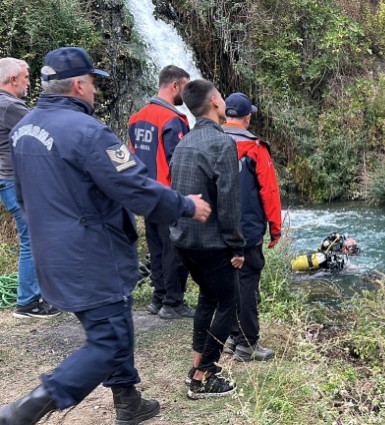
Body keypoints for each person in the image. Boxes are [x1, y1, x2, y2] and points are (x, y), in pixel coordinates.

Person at [0, 47, 211, 425]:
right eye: (94, 83)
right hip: (91, 254)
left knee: (115, 324)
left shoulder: (23, 130)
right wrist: (185, 205)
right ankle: (23, 412)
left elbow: (20, 196)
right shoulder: (86, 132)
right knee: (109, 340)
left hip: (53, 251)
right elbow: (134, 188)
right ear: (79, 85)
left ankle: (128, 401)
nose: (96, 91)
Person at [169, 79, 245, 399]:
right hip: (212, 243)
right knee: (229, 302)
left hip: (183, 239)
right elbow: (228, 201)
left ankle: (198, 362)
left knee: (207, 298)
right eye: (222, 96)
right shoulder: (222, 143)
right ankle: (205, 375)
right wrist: (237, 245)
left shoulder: (184, 141)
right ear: (215, 102)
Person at [128, 65, 193, 319]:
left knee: (156, 248)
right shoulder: (172, 119)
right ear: (174, 85)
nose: (187, 95)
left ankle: (158, 298)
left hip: (145, 192)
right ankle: (173, 302)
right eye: (186, 87)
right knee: (175, 249)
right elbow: (178, 161)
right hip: (167, 194)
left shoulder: (136, 117)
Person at [220, 93, 281, 362]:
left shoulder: (210, 141)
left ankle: (233, 337)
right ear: (247, 118)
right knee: (247, 282)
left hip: (216, 227)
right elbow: (269, 191)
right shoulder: (256, 148)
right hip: (247, 229)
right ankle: (247, 343)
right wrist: (275, 228)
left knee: (226, 281)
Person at [0, 57, 60, 319]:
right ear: (13, 80)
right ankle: (27, 302)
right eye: (26, 78)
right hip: (15, 181)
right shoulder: (10, 106)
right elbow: (43, 130)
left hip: (9, 179)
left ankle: (39, 294)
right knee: (32, 240)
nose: (28, 83)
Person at [291, 233, 360, 271]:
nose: (354, 251)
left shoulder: (327, 250)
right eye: (353, 249)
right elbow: (352, 268)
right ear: (345, 249)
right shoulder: (340, 258)